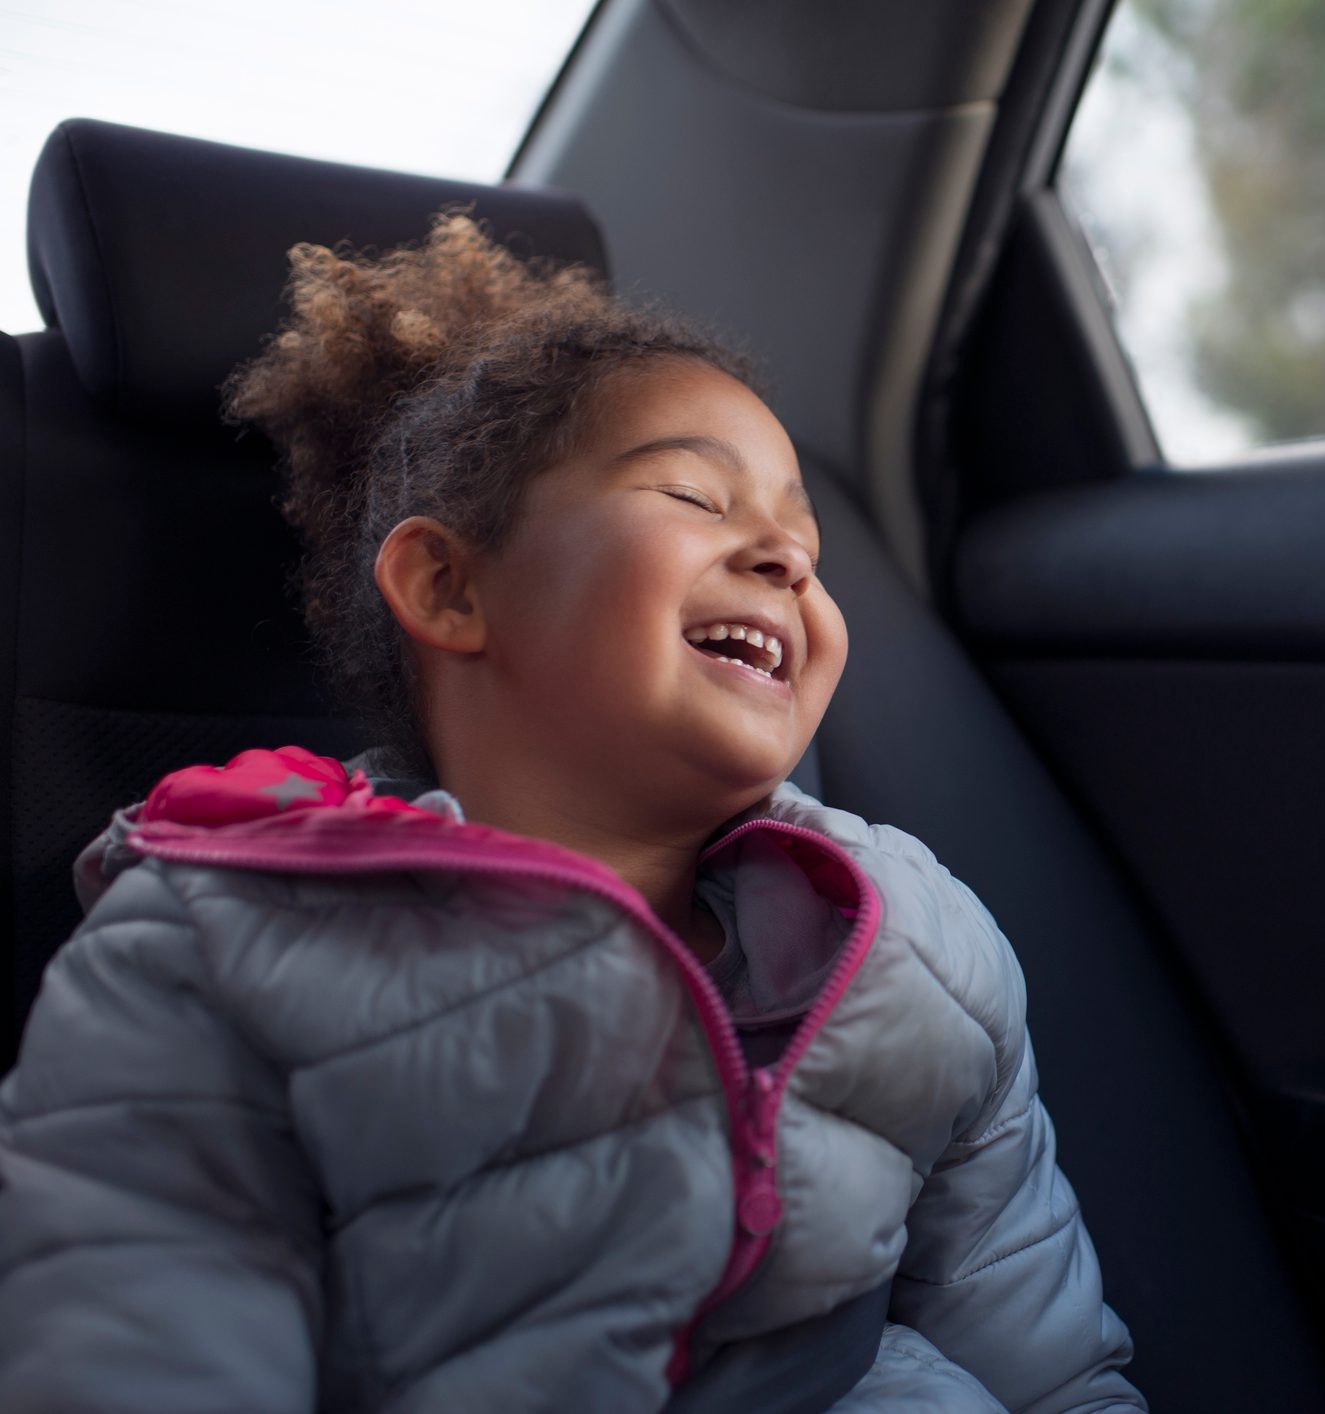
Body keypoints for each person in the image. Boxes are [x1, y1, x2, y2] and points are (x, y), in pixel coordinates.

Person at [0, 215, 1144, 1412]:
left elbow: (1048, 1367)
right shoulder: (218, 949)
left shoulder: (920, 941)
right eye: (697, 494)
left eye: (807, 544)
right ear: (447, 586)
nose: (786, 558)